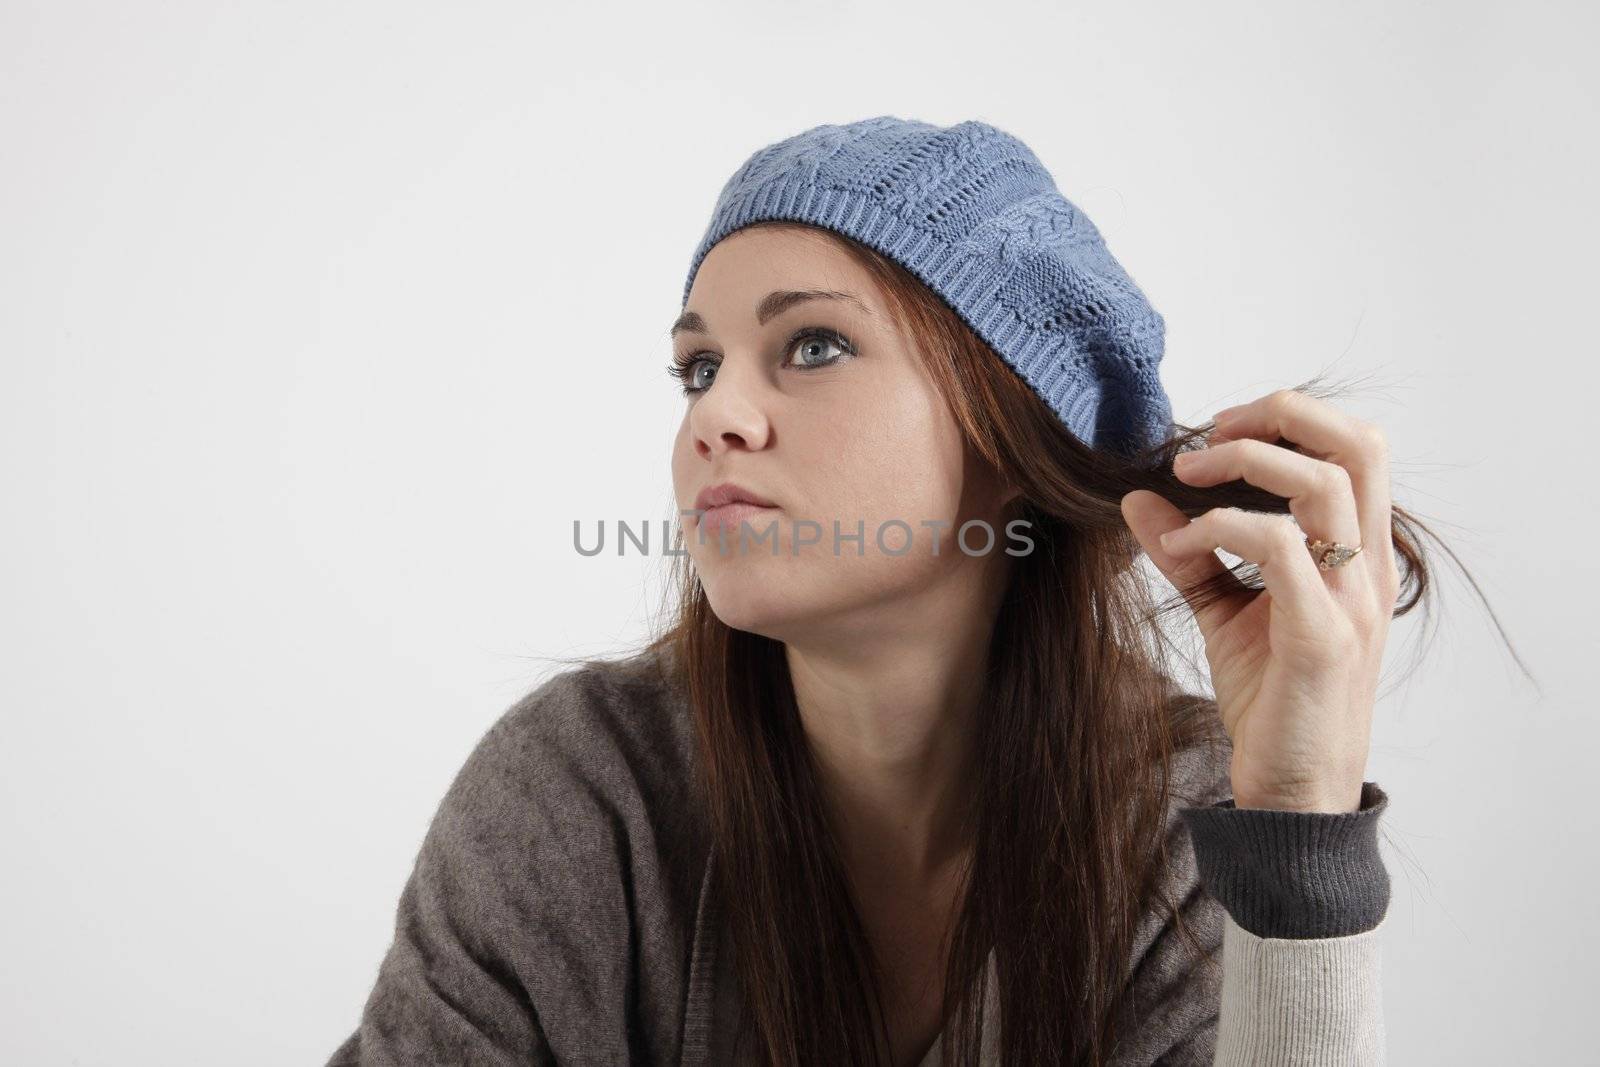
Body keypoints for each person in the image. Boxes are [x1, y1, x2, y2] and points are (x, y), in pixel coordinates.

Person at [327, 116, 1417, 1066]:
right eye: (698, 367)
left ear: (1010, 431)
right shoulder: (582, 790)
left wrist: (1299, 831)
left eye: (811, 343)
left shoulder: (1195, 828)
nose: (717, 416)